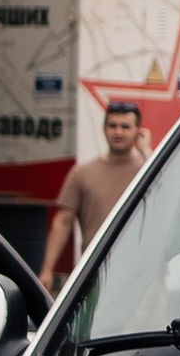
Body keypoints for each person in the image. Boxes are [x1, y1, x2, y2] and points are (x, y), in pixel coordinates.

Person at [44, 98, 147, 291]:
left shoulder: (147, 172)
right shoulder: (82, 173)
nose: (118, 132)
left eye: (125, 126)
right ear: (104, 128)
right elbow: (63, 221)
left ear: (138, 131)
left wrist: (147, 151)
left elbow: (173, 188)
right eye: (112, 125)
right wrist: (47, 269)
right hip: (95, 274)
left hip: (141, 275)